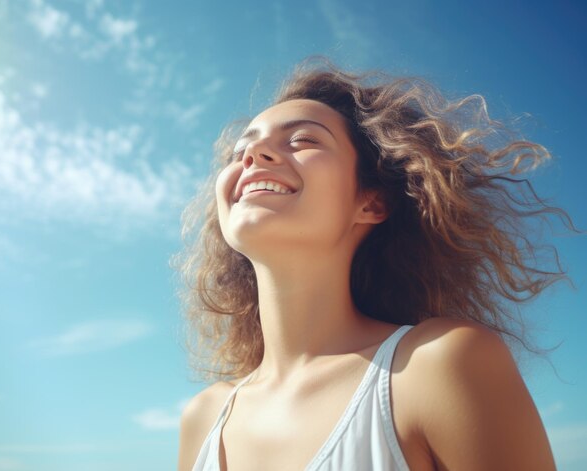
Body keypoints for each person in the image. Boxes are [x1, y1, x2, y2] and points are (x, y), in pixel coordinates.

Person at [176, 60, 570, 470]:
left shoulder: (436, 365)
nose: (253, 155)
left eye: (302, 140)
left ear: (372, 202)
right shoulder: (203, 418)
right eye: (240, 152)